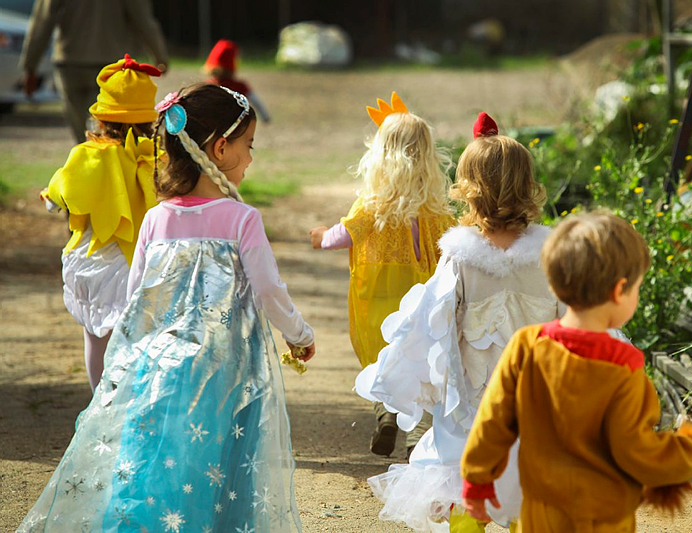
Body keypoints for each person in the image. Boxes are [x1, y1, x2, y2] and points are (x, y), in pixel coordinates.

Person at [17, 84, 314, 533]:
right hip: (221, 376)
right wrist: (300, 334)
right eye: (248, 145)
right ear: (220, 147)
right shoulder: (241, 219)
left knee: (154, 461)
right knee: (213, 468)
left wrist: (124, 367)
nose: (251, 158)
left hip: (156, 368)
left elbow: (136, 299)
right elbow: (269, 291)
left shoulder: (157, 217)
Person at [355, 113, 560, 532]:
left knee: (466, 482)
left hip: (473, 401)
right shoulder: (551, 256)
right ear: (528, 187)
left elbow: (428, 324)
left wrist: (409, 381)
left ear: (468, 190)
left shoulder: (461, 257)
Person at [460, 211, 692, 532]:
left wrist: (476, 480)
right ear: (620, 291)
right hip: (602, 517)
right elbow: (635, 449)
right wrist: (685, 451)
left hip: (540, 513)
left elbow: (492, 420)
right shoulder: (624, 365)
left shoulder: (526, 345)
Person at [309, 92, 455, 458]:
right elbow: (451, 247)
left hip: (378, 304)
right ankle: (416, 438)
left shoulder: (372, 205)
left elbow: (342, 236)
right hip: (419, 303)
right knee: (418, 365)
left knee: (383, 362)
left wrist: (320, 237)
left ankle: (385, 414)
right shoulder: (435, 209)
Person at [39, 54, 161, 391]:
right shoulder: (158, 158)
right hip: (142, 264)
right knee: (142, 341)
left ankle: (100, 403)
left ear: (102, 118)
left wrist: (49, 198)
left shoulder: (87, 155)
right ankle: (136, 405)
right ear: (150, 120)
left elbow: (57, 197)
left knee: (95, 337)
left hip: (96, 263)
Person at [20, 0, 169, 143]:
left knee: (81, 133)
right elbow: (143, 19)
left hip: (70, 63)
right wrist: (160, 56)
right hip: (112, 66)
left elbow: (42, 21)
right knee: (108, 132)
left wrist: (30, 65)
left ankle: (86, 161)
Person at [204, 39, 271, 122]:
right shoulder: (240, 86)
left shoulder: (208, 87)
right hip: (237, 128)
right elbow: (256, 101)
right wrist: (265, 117)